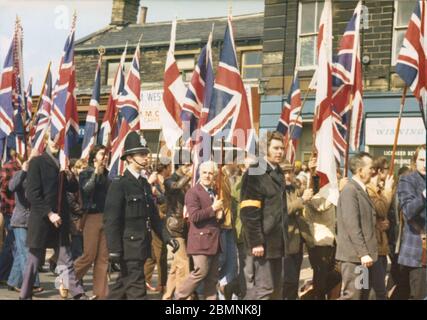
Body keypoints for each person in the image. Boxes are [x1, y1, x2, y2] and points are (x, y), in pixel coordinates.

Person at [104, 131, 179, 300]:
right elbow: (111, 220)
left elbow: (153, 217)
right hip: (127, 249)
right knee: (137, 293)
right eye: (141, 154)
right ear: (129, 158)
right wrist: (114, 250)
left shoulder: (144, 184)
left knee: (119, 291)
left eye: (146, 153)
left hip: (141, 247)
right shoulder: (120, 184)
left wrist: (168, 238)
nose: (146, 157)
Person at [20, 138, 87, 300]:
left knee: (66, 259)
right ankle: (25, 294)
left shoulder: (62, 162)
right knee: (34, 261)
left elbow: (72, 188)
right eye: (52, 138)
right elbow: (32, 194)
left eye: (60, 137)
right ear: (45, 140)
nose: (56, 141)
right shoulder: (37, 162)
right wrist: (49, 213)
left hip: (60, 220)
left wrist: (69, 173)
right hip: (42, 219)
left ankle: (77, 293)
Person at [240, 131, 288, 300]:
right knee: (264, 290)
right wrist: (256, 242)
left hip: (277, 242)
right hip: (263, 243)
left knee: (275, 290)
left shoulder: (278, 172)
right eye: (275, 148)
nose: (280, 152)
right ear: (265, 149)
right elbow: (248, 211)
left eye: (282, 148)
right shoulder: (256, 171)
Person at [175, 161, 223, 300]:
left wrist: (220, 214)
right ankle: (179, 296)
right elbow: (194, 216)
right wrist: (213, 209)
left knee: (212, 278)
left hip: (214, 241)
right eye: (204, 173)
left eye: (210, 173)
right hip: (200, 241)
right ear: (199, 174)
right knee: (200, 272)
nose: (207, 176)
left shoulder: (213, 191)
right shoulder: (193, 192)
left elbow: (214, 215)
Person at [336, 152, 377, 300]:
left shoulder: (361, 189)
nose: (373, 171)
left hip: (361, 257)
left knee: (363, 295)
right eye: (370, 168)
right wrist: (363, 253)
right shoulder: (350, 190)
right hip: (355, 256)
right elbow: (352, 225)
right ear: (360, 170)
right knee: (353, 296)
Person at [74, 145, 110, 300]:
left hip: (105, 217)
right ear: (94, 156)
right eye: (102, 154)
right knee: (89, 255)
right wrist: (95, 173)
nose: (105, 157)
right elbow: (86, 190)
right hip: (91, 217)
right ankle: (67, 278)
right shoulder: (85, 172)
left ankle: (100, 294)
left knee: (103, 258)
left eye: (106, 154)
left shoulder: (107, 174)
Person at [6, 150, 43, 293]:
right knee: (26, 253)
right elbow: (11, 186)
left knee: (24, 253)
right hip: (20, 220)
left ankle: (13, 281)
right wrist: (23, 171)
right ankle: (31, 283)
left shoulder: (38, 176)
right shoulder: (21, 174)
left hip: (33, 220)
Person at [397, 144, 426, 300]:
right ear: (415, 161)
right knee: (418, 295)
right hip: (418, 252)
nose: (425, 164)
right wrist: (424, 195)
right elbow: (408, 211)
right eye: (422, 159)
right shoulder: (407, 180)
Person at [281, 160, 313, 300]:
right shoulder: (275, 189)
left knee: (294, 280)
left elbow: (310, 190)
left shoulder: (293, 187)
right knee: (287, 280)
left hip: (297, 240)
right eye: (284, 173)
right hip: (284, 240)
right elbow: (285, 209)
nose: (288, 176)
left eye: (290, 172)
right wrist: (302, 201)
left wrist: (312, 171)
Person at [365, 157, 394, 300]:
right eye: (387, 170)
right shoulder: (368, 189)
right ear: (380, 171)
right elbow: (381, 209)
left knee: (377, 290)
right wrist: (388, 190)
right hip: (370, 249)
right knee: (369, 290)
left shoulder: (379, 189)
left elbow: (384, 214)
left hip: (381, 248)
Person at [162, 164, 192, 300]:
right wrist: (189, 176)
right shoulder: (169, 180)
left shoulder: (186, 182)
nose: (189, 167)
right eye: (187, 165)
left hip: (184, 226)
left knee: (176, 265)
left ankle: (167, 296)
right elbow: (176, 186)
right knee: (183, 263)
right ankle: (183, 296)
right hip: (174, 226)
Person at [144, 163, 170, 293]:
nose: (170, 169)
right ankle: (162, 284)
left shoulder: (164, 182)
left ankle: (145, 279)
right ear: (164, 168)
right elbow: (156, 200)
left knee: (153, 254)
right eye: (168, 167)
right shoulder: (153, 182)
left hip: (163, 219)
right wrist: (153, 189)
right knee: (161, 253)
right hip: (156, 220)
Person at [0, 149, 21, 284]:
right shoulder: (9, 167)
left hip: (24, 212)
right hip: (11, 211)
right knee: (12, 244)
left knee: (14, 245)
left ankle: (8, 276)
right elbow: (3, 190)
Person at [67, 158, 88, 261]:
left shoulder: (84, 182)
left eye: (85, 168)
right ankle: (76, 275)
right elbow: (70, 200)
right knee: (77, 249)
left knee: (79, 247)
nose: (84, 171)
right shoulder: (73, 181)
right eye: (82, 168)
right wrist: (81, 210)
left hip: (82, 218)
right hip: (75, 219)